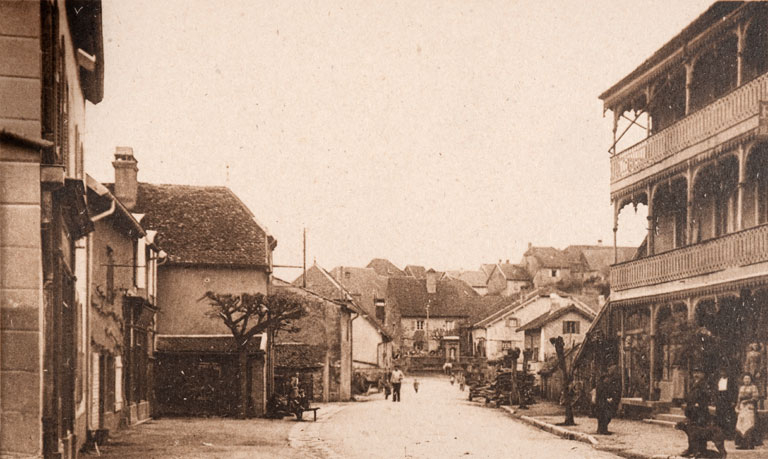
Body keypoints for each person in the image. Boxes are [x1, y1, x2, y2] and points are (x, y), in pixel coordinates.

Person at [681, 368, 713, 457]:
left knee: (701, 431)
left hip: (700, 412)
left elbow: (707, 397)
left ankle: (701, 450)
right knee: (691, 431)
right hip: (692, 411)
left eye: (698, 373)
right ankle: (691, 449)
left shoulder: (705, 384)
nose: (696, 375)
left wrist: (699, 404)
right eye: (695, 372)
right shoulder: (693, 383)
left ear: (703, 374)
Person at [735, 373, 760, 450]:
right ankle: (742, 444)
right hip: (742, 408)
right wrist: (737, 406)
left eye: (748, 379)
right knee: (741, 424)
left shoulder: (753, 387)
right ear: (743, 380)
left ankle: (749, 444)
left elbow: (756, 398)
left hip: (750, 407)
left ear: (751, 380)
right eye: (745, 379)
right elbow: (739, 398)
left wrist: (747, 401)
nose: (746, 380)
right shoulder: (741, 388)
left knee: (748, 425)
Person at [595, 365, 620, 435]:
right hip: (602, 401)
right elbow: (601, 392)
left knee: (605, 416)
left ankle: (602, 429)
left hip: (604, 401)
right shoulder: (602, 382)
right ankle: (602, 430)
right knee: (604, 416)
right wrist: (606, 398)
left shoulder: (608, 382)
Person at [714, 367, 736, 438]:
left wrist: (733, 401)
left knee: (728, 417)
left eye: (724, 372)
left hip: (728, 400)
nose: (723, 373)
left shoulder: (731, 380)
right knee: (720, 416)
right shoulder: (718, 380)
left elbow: (734, 390)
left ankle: (729, 434)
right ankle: (720, 434)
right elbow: (716, 391)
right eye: (721, 372)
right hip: (720, 400)